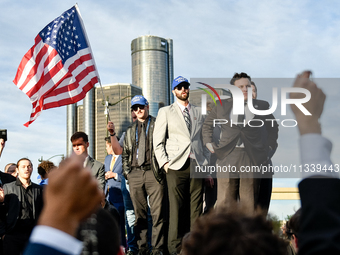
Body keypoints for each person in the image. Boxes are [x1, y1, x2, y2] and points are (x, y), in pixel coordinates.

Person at [202, 72, 278, 214]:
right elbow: (207, 125)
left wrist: (268, 148)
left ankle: (246, 236)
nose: (245, 89)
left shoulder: (262, 106)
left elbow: (273, 128)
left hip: (251, 158)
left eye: (248, 86)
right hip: (226, 157)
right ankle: (225, 235)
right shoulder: (221, 105)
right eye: (241, 86)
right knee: (225, 204)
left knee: (249, 205)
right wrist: (208, 143)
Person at [153, 76, 210, 255]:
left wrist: (206, 164)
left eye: (185, 86)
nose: (183, 89)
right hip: (175, 166)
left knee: (196, 210)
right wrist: (165, 163)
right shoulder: (165, 112)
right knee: (176, 211)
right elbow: (157, 141)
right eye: (179, 87)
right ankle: (175, 250)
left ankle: (194, 248)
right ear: (174, 91)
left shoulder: (199, 112)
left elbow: (204, 140)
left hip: (197, 164)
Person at [122, 95, 165, 255]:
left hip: (154, 173)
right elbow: (125, 154)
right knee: (139, 215)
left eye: (140, 106)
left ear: (147, 106)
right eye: (135, 108)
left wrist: (161, 170)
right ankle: (142, 250)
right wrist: (128, 173)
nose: (138, 110)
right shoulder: (129, 131)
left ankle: (158, 249)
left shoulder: (158, 124)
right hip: (135, 175)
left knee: (157, 213)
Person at [0, 158, 44, 255]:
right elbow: (1, 212)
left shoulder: (39, 189)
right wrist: (3, 233)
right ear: (17, 169)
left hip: (32, 235)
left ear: (32, 169)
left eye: (29, 166)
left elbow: (43, 212)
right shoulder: (8, 187)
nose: (27, 169)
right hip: (12, 234)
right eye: (23, 167)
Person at [251, 81, 277, 214]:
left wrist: (267, 153)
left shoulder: (264, 111)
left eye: (254, 91)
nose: (251, 93)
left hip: (264, 166)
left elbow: (274, 131)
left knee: (262, 209)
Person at [104, 137, 126, 249]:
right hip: (108, 198)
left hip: (120, 198)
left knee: (120, 224)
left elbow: (128, 177)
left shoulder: (124, 158)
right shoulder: (107, 159)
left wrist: (115, 175)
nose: (106, 148)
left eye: (107, 146)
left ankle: (122, 247)